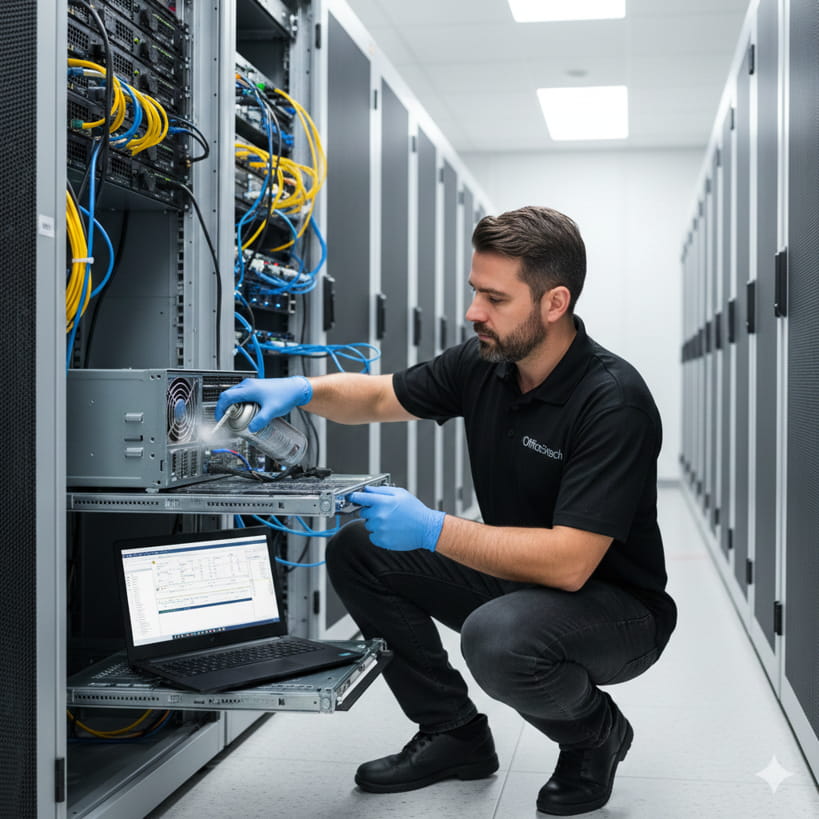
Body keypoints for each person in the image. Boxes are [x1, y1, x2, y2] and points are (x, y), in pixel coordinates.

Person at [215, 205, 677, 816]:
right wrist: (301, 390)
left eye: (494, 298)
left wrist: (432, 529)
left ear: (554, 303)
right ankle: (455, 734)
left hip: (615, 608)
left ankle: (595, 736)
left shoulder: (612, 401)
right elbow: (379, 396)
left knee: (498, 639)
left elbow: (569, 564)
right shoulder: (487, 364)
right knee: (360, 549)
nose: (473, 312)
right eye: (474, 291)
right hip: (522, 579)